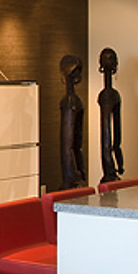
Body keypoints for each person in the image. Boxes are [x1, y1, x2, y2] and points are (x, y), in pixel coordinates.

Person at [59, 54, 88, 186]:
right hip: (71, 177)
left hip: (74, 177)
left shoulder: (74, 101)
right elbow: (68, 147)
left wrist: (79, 171)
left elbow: (75, 145)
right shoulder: (71, 102)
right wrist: (75, 172)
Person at [97, 46, 125, 183]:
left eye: (111, 59)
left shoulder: (113, 95)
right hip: (109, 175)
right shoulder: (107, 96)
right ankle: (110, 171)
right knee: (107, 135)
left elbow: (116, 138)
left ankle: (112, 171)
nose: (110, 62)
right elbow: (106, 140)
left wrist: (119, 163)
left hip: (112, 174)